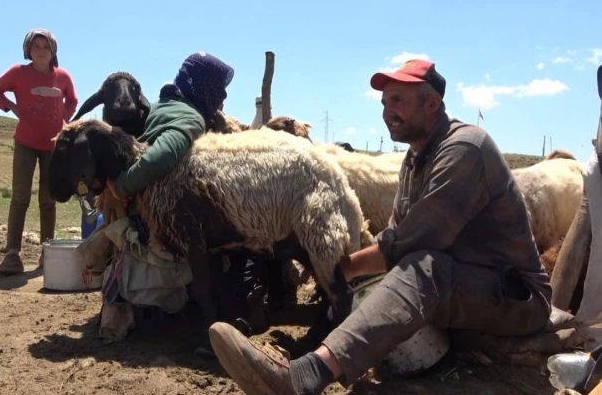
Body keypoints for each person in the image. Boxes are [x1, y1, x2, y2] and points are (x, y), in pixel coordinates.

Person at [207, 59, 553, 395]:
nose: (387, 111)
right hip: (468, 285)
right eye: (385, 102)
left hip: (515, 296)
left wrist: (345, 266)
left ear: (432, 103)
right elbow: (393, 233)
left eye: (398, 101)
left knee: (422, 268)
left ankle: (307, 376)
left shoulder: (466, 148)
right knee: (377, 280)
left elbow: (416, 239)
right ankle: (329, 349)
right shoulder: (414, 160)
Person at [0, 28, 78, 275]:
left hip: (52, 145)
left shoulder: (63, 77)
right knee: (20, 197)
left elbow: (72, 99)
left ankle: (46, 253)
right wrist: (11, 107)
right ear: (28, 49)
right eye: (36, 47)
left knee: (48, 200)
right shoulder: (18, 72)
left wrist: (64, 118)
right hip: (25, 143)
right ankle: (12, 255)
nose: (41, 51)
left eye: (46, 47)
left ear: (53, 51)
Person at [106, 51, 234, 201]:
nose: (223, 96)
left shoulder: (155, 107)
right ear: (207, 89)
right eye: (219, 89)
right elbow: (159, 158)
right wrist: (119, 188)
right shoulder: (191, 119)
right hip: (147, 209)